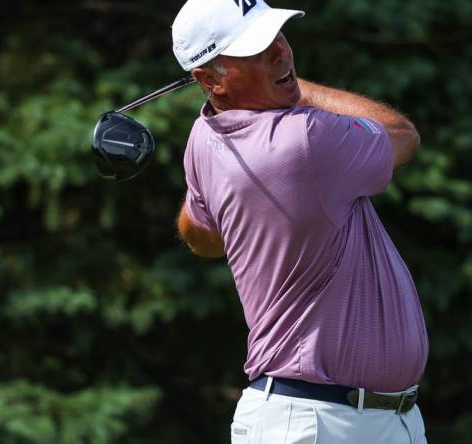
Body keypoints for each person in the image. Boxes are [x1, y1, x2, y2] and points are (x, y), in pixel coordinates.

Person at [171, 0, 429, 442]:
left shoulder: (203, 137)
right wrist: (299, 86)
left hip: (376, 419)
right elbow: (402, 136)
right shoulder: (304, 137)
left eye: (276, 36)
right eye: (257, 50)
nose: (280, 53)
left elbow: (202, 238)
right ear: (209, 78)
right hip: (313, 422)